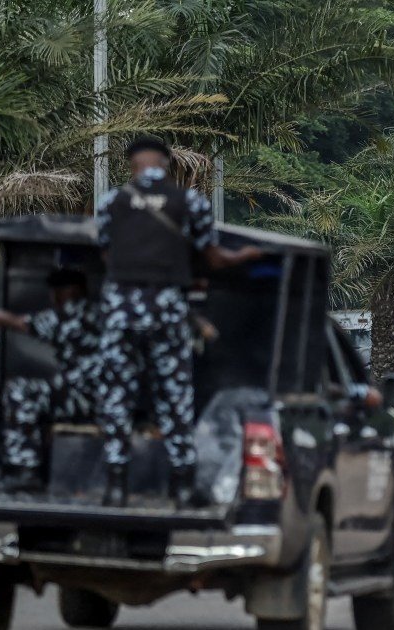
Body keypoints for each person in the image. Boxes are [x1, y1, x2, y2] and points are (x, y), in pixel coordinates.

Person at [95, 136, 261, 508]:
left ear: (132, 165)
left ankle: (116, 486)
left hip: (120, 313)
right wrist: (244, 256)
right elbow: (213, 258)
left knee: (116, 398)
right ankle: (182, 486)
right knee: (173, 398)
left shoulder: (111, 203)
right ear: (167, 165)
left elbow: (106, 254)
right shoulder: (189, 203)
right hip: (167, 313)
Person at [0, 268, 101, 491]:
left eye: (58, 291)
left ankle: (24, 470)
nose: (53, 298)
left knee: (19, 391)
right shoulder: (96, 312)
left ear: (73, 291)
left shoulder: (72, 313)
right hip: (104, 397)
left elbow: (21, 323)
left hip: (86, 398)